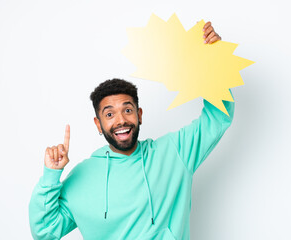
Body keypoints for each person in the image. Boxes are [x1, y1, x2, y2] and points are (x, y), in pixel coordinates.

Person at [29, 22, 233, 240]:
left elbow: (218, 117)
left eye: (127, 110)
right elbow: (44, 233)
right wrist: (51, 176)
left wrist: (215, 61)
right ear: (98, 125)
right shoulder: (82, 177)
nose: (121, 121)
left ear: (140, 115)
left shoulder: (175, 152)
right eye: (109, 114)